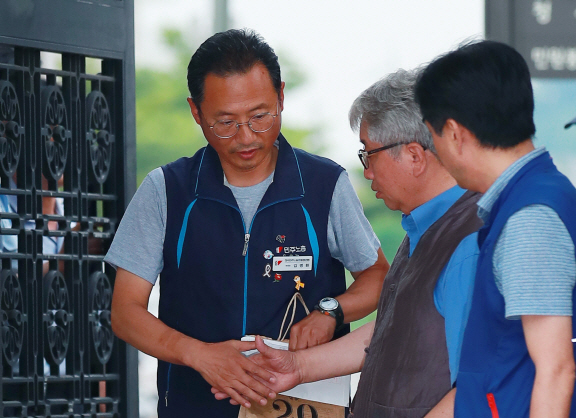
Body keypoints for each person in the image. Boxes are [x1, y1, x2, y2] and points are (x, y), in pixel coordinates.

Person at [106, 28, 389, 417]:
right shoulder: (166, 190)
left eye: (260, 116)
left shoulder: (325, 185)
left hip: (304, 404)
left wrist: (331, 311)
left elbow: (377, 276)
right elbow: (125, 312)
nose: (246, 138)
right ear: (196, 112)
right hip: (195, 406)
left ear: (281, 97)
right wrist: (201, 356)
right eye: (225, 122)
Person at [214, 69, 483, 418]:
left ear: (415, 156)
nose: (367, 171)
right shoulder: (423, 229)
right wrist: (298, 366)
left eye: (368, 154)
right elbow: (393, 329)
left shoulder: (469, 241)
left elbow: (481, 382)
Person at [414, 40, 576, 417]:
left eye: (431, 136)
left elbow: (556, 370)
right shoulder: (528, 200)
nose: (434, 150)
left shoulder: (529, 220)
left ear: (454, 133)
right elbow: (494, 370)